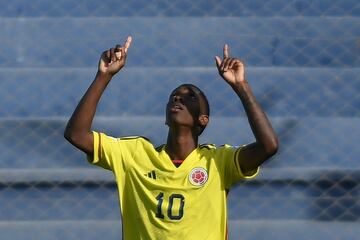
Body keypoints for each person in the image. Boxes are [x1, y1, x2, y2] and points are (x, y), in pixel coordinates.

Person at [64, 36, 278, 240]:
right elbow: (76, 134)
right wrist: (104, 76)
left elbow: (268, 146)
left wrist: (242, 86)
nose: (178, 97)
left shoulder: (217, 161)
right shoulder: (134, 155)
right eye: (174, 96)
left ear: (203, 119)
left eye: (190, 96)